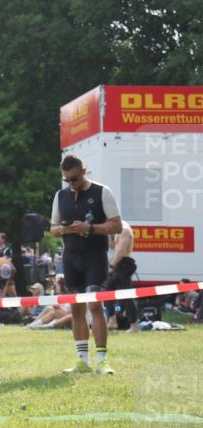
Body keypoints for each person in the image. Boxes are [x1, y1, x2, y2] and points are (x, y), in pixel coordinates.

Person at [49, 155, 122, 374]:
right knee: (76, 308)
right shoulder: (60, 196)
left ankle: (102, 360)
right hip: (71, 257)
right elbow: (52, 228)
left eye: (74, 178)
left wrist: (88, 229)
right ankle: (82, 360)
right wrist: (62, 230)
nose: (71, 183)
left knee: (94, 305)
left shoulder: (102, 192)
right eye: (67, 180)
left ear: (84, 171)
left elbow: (116, 226)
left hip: (95, 257)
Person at [104, 220, 137, 332]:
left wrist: (112, 264)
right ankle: (112, 321)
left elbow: (122, 251)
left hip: (124, 264)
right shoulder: (116, 231)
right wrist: (108, 236)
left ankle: (134, 325)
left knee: (127, 296)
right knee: (108, 292)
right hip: (119, 264)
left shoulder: (125, 230)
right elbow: (114, 247)